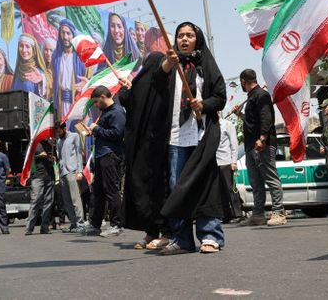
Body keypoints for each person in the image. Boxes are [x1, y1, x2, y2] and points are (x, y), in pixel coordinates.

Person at [159, 22, 227, 255]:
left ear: (197, 39)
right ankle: (182, 239)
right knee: (177, 188)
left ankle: (210, 236)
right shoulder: (170, 65)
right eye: (180, 35)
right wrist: (166, 66)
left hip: (200, 136)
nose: (184, 39)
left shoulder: (206, 64)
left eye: (189, 35)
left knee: (205, 185)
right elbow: (154, 91)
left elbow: (220, 97)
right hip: (175, 139)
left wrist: (203, 104)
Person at [118, 52, 171, 250]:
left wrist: (127, 88)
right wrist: (130, 88)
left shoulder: (156, 82)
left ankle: (164, 231)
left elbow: (126, 99)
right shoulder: (148, 83)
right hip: (146, 145)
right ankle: (152, 231)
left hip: (153, 145)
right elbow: (130, 101)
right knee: (149, 188)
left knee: (155, 188)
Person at [234, 69, 286, 227]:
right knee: (256, 182)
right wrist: (240, 115)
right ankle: (258, 214)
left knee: (271, 178)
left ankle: (279, 212)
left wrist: (262, 138)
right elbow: (252, 121)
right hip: (251, 146)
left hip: (262, 144)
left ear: (243, 81)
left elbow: (266, 118)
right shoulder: (251, 97)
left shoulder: (261, 95)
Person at [79, 85, 125, 237]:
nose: (96, 105)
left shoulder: (117, 112)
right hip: (101, 154)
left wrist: (97, 129)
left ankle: (116, 225)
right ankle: (95, 224)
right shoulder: (106, 112)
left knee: (111, 190)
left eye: (96, 102)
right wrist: (93, 131)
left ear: (103, 97)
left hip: (110, 155)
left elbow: (117, 134)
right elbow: (106, 133)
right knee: (97, 191)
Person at [51, 19, 90, 120]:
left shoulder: (81, 56)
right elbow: (51, 78)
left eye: (68, 33)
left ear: (73, 35)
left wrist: (87, 84)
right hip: (61, 103)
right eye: (62, 33)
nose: (65, 37)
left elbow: (91, 78)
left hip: (77, 101)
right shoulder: (56, 56)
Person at [54, 121, 85, 233]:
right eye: (57, 132)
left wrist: (79, 171)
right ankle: (73, 223)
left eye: (59, 131)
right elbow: (60, 158)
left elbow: (79, 153)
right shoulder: (58, 141)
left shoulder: (74, 136)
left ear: (64, 129)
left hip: (72, 171)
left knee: (75, 199)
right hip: (62, 173)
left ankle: (80, 223)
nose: (58, 134)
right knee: (67, 201)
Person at [216, 113, 243, 224]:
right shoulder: (209, 126)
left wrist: (234, 161)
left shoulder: (227, 124)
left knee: (231, 189)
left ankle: (238, 214)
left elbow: (234, 143)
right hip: (215, 163)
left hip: (226, 161)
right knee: (219, 191)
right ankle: (226, 215)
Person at [25, 140, 56, 235]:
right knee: (35, 200)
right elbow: (27, 159)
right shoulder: (33, 144)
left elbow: (55, 158)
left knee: (48, 202)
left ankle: (45, 227)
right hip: (37, 176)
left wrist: (53, 158)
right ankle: (29, 228)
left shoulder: (50, 145)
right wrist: (39, 156)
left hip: (50, 176)